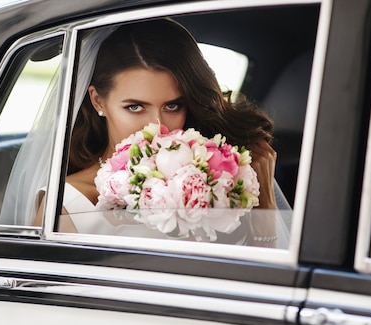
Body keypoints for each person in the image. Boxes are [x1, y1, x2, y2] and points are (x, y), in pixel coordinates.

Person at [35, 19, 283, 245]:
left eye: (172, 105)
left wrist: (265, 208)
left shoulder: (218, 181)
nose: (157, 126)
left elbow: (270, 288)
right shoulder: (67, 205)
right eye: (135, 107)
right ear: (98, 101)